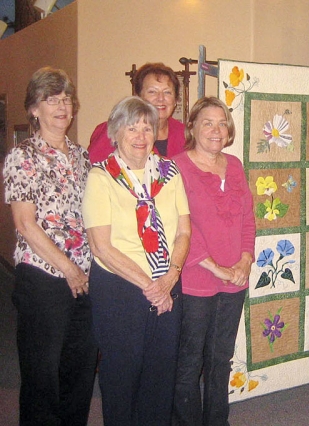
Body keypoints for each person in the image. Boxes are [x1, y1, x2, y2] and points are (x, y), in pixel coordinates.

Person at [83, 96, 191, 425]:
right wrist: (151, 286)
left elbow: (184, 231)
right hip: (120, 289)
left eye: (147, 127)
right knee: (121, 377)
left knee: (161, 374)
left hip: (167, 284)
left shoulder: (169, 172)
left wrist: (170, 278)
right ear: (115, 133)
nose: (141, 134)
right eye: (132, 127)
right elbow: (101, 247)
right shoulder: (100, 178)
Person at [3, 67, 97, 425]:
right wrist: (69, 268)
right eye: (51, 99)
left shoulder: (82, 156)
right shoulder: (22, 156)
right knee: (42, 375)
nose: (61, 106)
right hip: (44, 278)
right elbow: (26, 224)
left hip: (86, 279)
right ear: (34, 109)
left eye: (66, 99)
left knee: (79, 370)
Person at [172, 97, 255, 425]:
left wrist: (246, 260)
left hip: (235, 280)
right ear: (192, 127)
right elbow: (180, 226)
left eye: (222, 123)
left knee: (221, 359)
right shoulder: (176, 167)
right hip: (197, 280)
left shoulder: (234, 165)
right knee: (189, 363)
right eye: (207, 122)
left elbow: (248, 217)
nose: (216, 130)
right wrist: (215, 267)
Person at [87, 62, 185, 162]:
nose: (161, 98)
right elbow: (93, 169)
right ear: (138, 97)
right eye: (152, 92)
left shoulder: (186, 135)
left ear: (176, 100)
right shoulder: (113, 130)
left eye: (167, 92)